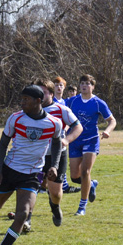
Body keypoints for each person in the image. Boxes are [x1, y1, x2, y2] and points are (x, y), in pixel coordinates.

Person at [0, 85, 63, 245]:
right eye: (21, 99)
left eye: (25, 100)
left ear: (38, 101)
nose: (22, 103)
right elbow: (2, 144)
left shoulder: (54, 123)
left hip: (33, 174)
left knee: (23, 214)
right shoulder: (15, 118)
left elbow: (57, 144)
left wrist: (54, 166)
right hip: (9, 171)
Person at [33, 79, 83, 228]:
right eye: (38, 92)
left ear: (51, 94)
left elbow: (78, 127)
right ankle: (26, 219)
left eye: (44, 92)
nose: (40, 96)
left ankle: (55, 207)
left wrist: (67, 140)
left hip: (57, 155)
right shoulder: (30, 110)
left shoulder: (61, 110)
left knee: (55, 193)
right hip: (35, 155)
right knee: (31, 187)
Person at [67, 74, 116, 216]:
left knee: (85, 172)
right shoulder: (72, 101)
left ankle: (82, 207)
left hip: (91, 140)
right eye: (82, 83)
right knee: (74, 176)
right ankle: (92, 184)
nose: (84, 86)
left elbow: (112, 120)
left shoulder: (98, 103)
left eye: (87, 83)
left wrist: (107, 131)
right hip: (75, 140)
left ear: (93, 86)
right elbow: (60, 112)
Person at [52, 76, 80, 194]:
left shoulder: (64, 102)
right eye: (56, 85)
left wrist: (65, 129)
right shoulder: (51, 101)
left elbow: (69, 120)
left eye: (61, 85)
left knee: (61, 160)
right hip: (50, 135)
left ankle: (64, 185)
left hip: (62, 135)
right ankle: (41, 185)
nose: (59, 87)